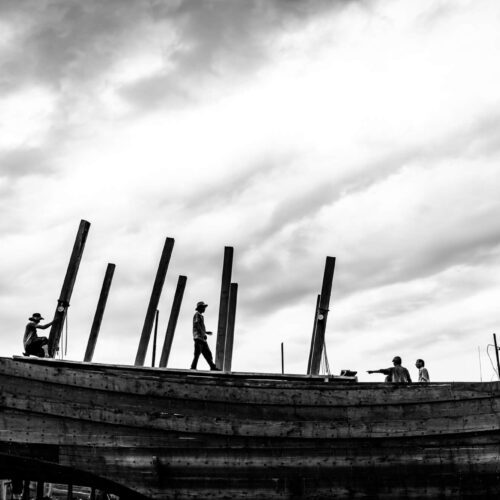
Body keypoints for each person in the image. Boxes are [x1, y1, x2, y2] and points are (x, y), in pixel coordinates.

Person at [190, 301, 219, 371]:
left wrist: (206, 332)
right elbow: (197, 325)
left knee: (207, 353)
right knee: (197, 354)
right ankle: (193, 368)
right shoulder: (197, 315)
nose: (204, 309)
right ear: (200, 308)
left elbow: (199, 326)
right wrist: (203, 334)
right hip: (198, 338)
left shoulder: (200, 316)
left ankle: (213, 367)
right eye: (203, 307)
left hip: (201, 338)